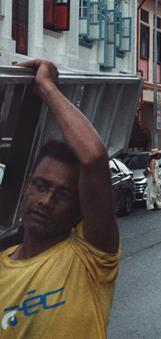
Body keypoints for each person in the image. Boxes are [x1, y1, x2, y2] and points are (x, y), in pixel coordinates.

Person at [0, 60, 119, 338]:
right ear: (27, 187)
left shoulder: (92, 257)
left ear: (81, 208)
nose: (45, 201)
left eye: (63, 193)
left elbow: (93, 157)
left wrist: (46, 86)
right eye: (41, 186)